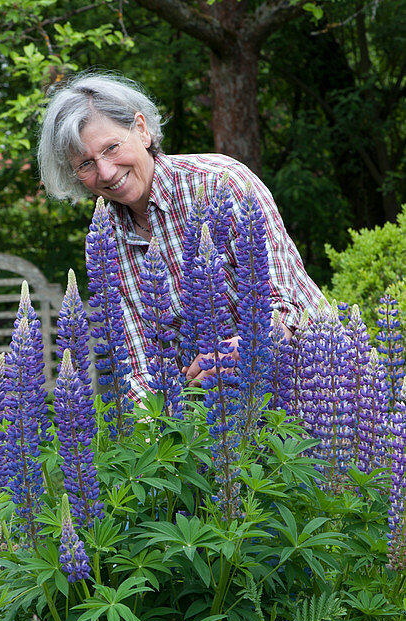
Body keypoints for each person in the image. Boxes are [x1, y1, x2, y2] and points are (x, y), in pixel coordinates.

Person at [37, 71, 322, 399]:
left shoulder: (222, 183)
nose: (106, 172)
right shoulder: (105, 239)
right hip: (214, 424)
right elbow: (135, 363)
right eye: (86, 164)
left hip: (308, 390)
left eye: (111, 148)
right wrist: (148, 427)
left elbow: (289, 303)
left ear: (142, 130)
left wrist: (248, 347)